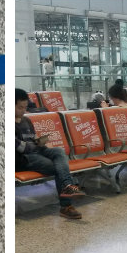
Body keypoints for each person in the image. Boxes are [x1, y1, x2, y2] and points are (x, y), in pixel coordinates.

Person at [15, 89, 85, 220]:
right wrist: (36, 144)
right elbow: (20, 147)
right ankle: (66, 204)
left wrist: (42, 141)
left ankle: (67, 186)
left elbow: (32, 137)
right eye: (20, 107)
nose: (23, 110)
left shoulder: (26, 121)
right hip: (23, 158)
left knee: (59, 151)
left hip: (36, 150)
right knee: (56, 167)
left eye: (25, 107)